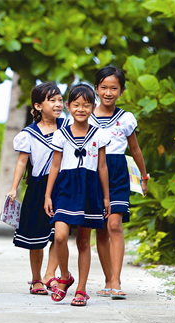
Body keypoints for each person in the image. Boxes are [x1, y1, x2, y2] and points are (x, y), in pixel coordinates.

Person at [44, 83, 110, 306]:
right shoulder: (60, 134)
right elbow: (54, 166)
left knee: (83, 242)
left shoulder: (99, 134)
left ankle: (81, 289)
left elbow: (102, 167)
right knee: (60, 236)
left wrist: (106, 197)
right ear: (69, 106)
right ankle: (64, 276)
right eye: (76, 104)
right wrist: (48, 196)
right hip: (65, 188)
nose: (81, 109)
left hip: (90, 189)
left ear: (93, 107)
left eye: (86, 105)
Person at [87, 66, 148, 300]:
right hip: (92, 173)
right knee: (100, 229)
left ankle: (116, 280)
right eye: (103, 87)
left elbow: (135, 149)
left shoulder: (126, 119)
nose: (108, 92)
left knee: (114, 225)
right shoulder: (86, 116)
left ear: (122, 91)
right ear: (96, 89)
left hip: (118, 173)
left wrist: (143, 176)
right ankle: (106, 279)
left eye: (114, 88)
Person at [7, 83, 71, 295]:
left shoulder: (68, 126)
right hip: (37, 186)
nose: (58, 104)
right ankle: (36, 278)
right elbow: (21, 162)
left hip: (63, 184)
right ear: (38, 105)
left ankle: (49, 275)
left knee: (57, 233)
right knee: (35, 238)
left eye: (60, 100)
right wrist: (14, 188)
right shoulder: (29, 134)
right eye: (51, 100)